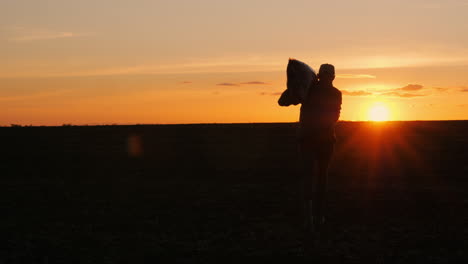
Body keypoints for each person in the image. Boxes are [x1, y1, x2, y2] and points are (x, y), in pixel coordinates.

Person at [298, 63, 342, 235]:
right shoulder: (316, 90)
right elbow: (335, 115)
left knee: (316, 178)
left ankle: (314, 217)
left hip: (316, 139)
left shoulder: (311, 89)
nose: (325, 78)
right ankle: (313, 217)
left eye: (325, 75)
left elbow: (335, 114)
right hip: (320, 140)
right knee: (316, 178)